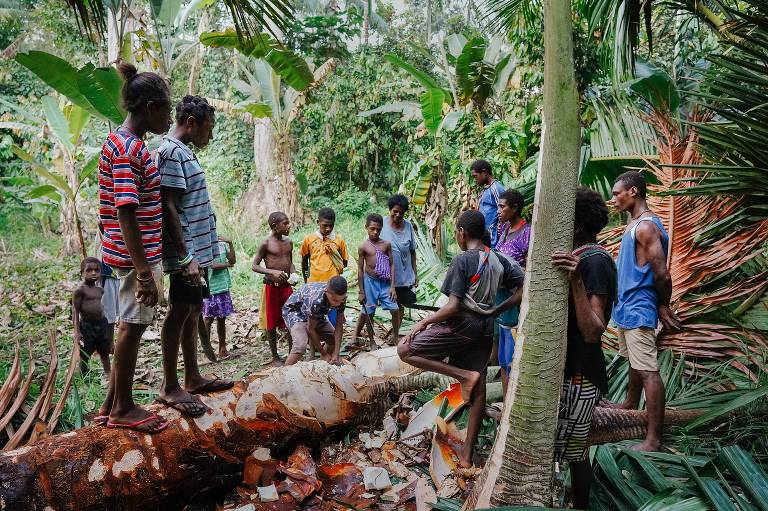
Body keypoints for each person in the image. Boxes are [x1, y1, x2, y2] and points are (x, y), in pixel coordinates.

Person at [398, 210, 524, 468]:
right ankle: (467, 455)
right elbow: (525, 285)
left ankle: (463, 376)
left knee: (405, 349)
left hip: (462, 324)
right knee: (478, 392)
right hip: (487, 327)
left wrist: (423, 322)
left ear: (462, 232)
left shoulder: (462, 260)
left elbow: (453, 306)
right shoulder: (499, 260)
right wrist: (498, 309)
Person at [96, 62, 171, 433]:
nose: (169, 118)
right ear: (150, 108)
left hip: (117, 254)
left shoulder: (120, 141)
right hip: (131, 259)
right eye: (167, 111)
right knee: (132, 327)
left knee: (127, 324)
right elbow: (126, 212)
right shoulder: (129, 150)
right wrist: (144, 273)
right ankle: (123, 408)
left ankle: (110, 402)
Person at [156, 95, 233, 418]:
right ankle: (170, 385)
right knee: (181, 310)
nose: (210, 136)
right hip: (184, 253)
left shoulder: (182, 152)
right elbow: (168, 205)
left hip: (197, 253)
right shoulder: (171, 152)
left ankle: (192, 376)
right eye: (208, 129)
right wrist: (186, 256)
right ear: (191, 123)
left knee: (193, 309)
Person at [551, 187, 617, 509]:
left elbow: (593, 330)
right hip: (565, 368)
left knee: (577, 452)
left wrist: (575, 281)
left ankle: (581, 506)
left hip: (581, 372)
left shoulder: (594, 262)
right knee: (571, 450)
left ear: (575, 224)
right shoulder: (578, 257)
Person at [608, 171, 681, 452]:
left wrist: (663, 305)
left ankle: (654, 439)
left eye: (617, 193)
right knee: (635, 363)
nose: (614, 199)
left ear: (634, 192)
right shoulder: (633, 223)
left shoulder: (646, 227)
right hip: (626, 306)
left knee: (649, 371)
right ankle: (630, 403)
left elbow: (662, 274)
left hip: (640, 306)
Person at [493, 188, 531, 394]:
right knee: (503, 358)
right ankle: (505, 402)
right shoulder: (504, 229)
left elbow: (530, 269)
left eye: (502, 206)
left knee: (512, 359)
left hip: (514, 301)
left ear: (515, 208)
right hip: (501, 301)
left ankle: (512, 401)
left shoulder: (528, 233)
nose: (498, 210)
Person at [300, 207, 349, 350]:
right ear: (318, 222)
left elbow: (344, 262)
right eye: (324, 225)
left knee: (333, 321)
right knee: (313, 321)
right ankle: (313, 350)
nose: (328, 229)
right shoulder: (309, 239)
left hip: (333, 290)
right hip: (314, 288)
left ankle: (329, 350)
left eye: (331, 225)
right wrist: (306, 281)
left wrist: (333, 253)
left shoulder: (338, 240)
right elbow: (305, 261)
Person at [253, 212, 297, 366]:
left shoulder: (289, 242)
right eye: (285, 223)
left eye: (288, 222)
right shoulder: (266, 243)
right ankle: (275, 356)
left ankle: (293, 352)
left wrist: (294, 273)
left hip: (287, 287)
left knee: (291, 319)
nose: (288, 226)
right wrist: (271, 271)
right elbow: (255, 266)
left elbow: (290, 262)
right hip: (272, 287)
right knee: (271, 322)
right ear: (274, 226)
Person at [351, 214, 397, 347]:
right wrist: (361, 291)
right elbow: (360, 269)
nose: (375, 232)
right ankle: (372, 341)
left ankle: (395, 336)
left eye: (378, 229)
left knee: (394, 309)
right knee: (369, 313)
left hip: (385, 283)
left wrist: (392, 286)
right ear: (366, 228)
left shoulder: (386, 244)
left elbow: (392, 264)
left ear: (382, 228)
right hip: (369, 282)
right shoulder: (363, 247)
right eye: (372, 229)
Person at [282, 276, 348, 366]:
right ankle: (283, 375)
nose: (338, 304)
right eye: (334, 300)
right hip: (296, 311)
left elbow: (339, 326)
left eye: (340, 301)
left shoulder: (340, 298)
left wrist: (336, 353)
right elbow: (311, 329)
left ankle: (320, 367)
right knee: (300, 346)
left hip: (315, 313)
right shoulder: (316, 301)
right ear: (326, 292)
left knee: (332, 339)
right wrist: (323, 354)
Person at [380, 194, 418, 343]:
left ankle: (395, 335)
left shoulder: (408, 226)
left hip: (403, 274)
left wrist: (416, 273)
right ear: (390, 210)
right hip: (385, 274)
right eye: (395, 211)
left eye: (401, 212)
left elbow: (412, 251)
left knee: (400, 305)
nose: (397, 215)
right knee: (380, 305)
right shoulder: (381, 223)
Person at [73, 257, 111, 376]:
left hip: (101, 324)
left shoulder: (100, 290)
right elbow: (75, 312)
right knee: (85, 352)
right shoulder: (80, 291)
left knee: (104, 350)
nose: (93, 273)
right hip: (87, 325)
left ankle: (108, 373)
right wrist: (77, 332)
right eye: (89, 270)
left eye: (97, 270)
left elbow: (103, 307)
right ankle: (83, 374)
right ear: (82, 273)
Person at [203, 236, 236, 359]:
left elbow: (233, 261)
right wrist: (227, 264)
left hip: (223, 286)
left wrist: (230, 243)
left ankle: (222, 349)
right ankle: (207, 350)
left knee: (222, 318)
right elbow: (213, 265)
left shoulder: (222, 244)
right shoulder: (205, 243)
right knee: (208, 319)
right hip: (210, 287)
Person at [470, 159, 505, 248]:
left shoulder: (496, 189)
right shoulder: (486, 190)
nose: (475, 180)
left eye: (475, 176)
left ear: (484, 172)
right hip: (486, 237)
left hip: (493, 239)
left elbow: (504, 211)